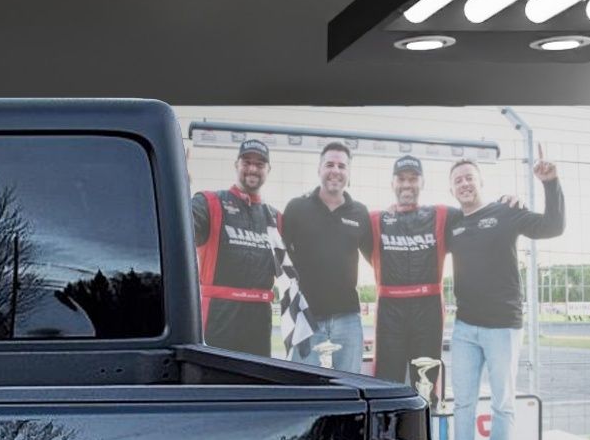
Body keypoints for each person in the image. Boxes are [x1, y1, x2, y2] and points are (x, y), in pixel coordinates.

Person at [445, 147, 566, 440]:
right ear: (452, 190)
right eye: (457, 180)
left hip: (503, 326)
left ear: (481, 181)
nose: (464, 183)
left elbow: (553, 227)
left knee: (503, 403)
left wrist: (550, 183)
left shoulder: (506, 210)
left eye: (469, 177)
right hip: (465, 327)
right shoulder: (453, 223)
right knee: (463, 401)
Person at [280, 141, 370, 371]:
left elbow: (376, 258)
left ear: (348, 173)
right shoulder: (297, 208)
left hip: (348, 319)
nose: (336, 171)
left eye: (342, 166)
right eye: (330, 164)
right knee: (305, 391)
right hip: (306, 318)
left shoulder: (360, 212)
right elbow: (281, 259)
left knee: (350, 391)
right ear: (319, 169)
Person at [192, 139, 281, 358]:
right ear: (236, 165)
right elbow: (181, 228)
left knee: (257, 385)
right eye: (246, 162)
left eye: (260, 164)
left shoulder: (276, 217)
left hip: (260, 319)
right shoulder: (209, 201)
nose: (252, 168)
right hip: (218, 316)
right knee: (213, 384)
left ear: (268, 170)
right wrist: (177, 186)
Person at [367, 156, 449, 387]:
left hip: (429, 311)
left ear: (423, 183)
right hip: (389, 312)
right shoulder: (375, 219)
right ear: (392, 183)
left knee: (426, 383)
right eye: (401, 179)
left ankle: (427, 421)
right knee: (386, 382)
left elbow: (474, 214)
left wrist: (506, 201)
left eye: (413, 179)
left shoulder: (441, 215)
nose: (407, 184)